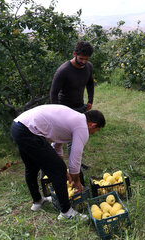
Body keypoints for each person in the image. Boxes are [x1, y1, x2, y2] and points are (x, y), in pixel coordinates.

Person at [10, 104, 105, 220]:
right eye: (97, 130)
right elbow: (75, 158)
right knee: (58, 170)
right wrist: (76, 181)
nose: (94, 133)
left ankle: (38, 201)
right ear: (93, 125)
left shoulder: (73, 118)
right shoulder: (82, 128)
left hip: (18, 126)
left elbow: (56, 146)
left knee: (32, 167)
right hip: (29, 131)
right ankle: (66, 212)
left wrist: (64, 170)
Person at [50, 41, 94, 172]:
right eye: (81, 59)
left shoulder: (88, 67)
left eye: (86, 59)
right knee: (59, 139)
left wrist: (90, 100)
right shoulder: (64, 70)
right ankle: (55, 163)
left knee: (75, 138)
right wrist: (56, 112)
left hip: (80, 107)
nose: (83, 62)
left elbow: (90, 83)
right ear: (74, 54)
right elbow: (53, 92)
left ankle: (75, 165)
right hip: (64, 109)